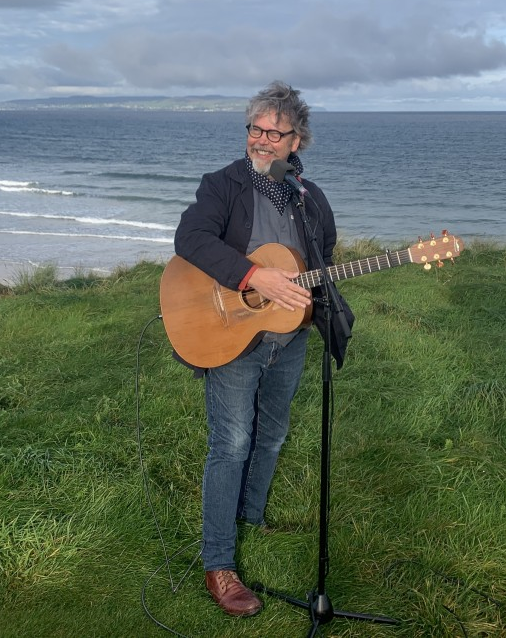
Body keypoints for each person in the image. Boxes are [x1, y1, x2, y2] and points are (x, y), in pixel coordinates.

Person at [173, 80, 352, 617]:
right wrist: (255, 276)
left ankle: (250, 519)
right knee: (230, 444)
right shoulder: (223, 185)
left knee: (271, 435)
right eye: (256, 129)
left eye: (276, 133)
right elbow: (192, 239)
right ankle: (219, 563)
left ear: (297, 141)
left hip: (288, 338)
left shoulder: (308, 197)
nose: (263, 140)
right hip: (231, 334)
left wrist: (300, 286)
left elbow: (324, 251)